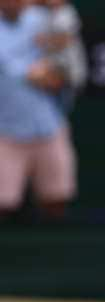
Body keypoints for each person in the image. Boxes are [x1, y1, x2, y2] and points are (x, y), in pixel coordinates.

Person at [0, 0, 76, 221]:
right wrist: (28, 73)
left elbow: (63, 71)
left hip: (48, 127)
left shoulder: (44, 21)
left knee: (56, 200)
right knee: (3, 204)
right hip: (5, 131)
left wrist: (54, 74)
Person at [34, 0, 87, 111]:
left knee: (57, 116)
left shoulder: (66, 12)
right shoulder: (42, 13)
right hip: (49, 76)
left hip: (67, 76)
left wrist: (44, 41)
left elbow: (65, 40)